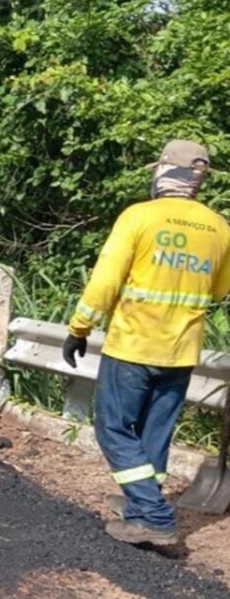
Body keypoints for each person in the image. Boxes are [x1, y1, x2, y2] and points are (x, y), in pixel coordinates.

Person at [63, 140, 230, 546]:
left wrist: (79, 328)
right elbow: (220, 290)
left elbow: (106, 279)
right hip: (181, 352)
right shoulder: (219, 228)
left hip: (134, 347)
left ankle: (153, 516)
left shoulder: (140, 217)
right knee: (155, 433)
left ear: (163, 173)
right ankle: (139, 504)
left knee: (113, 429)